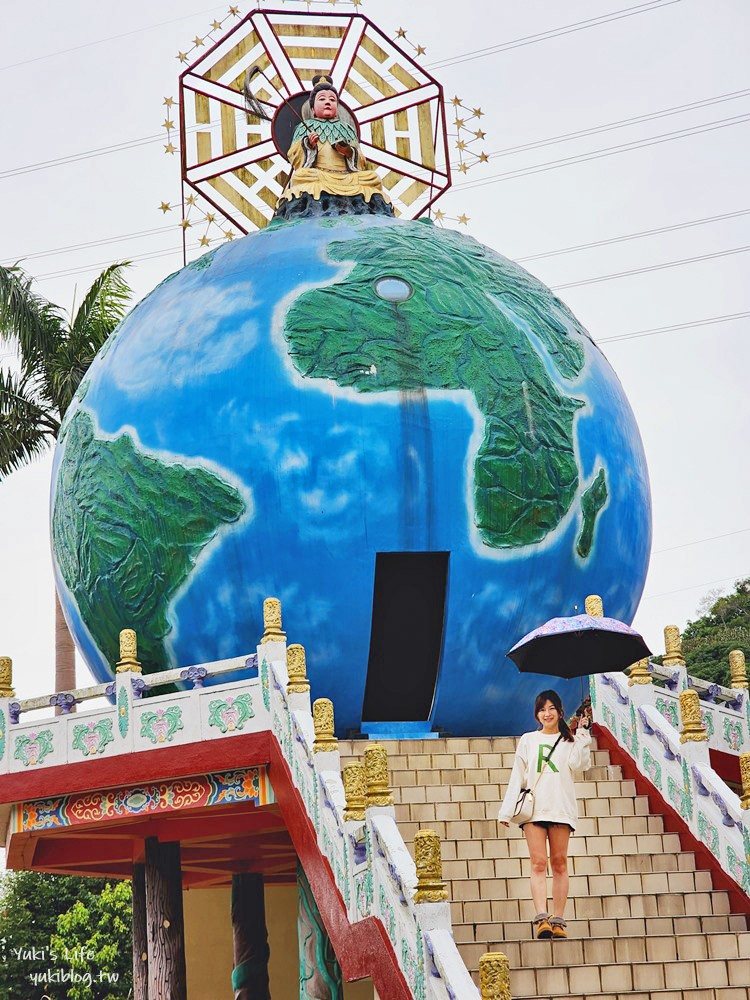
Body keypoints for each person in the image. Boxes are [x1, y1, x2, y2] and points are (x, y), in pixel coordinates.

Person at [497, 689, 592, 940]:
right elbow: (517, 775)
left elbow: (580, 766)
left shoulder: (571, 740)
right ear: (537, 714)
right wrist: (506, 811)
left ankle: (558, 920)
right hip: (534, 809)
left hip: (561, 808)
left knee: (559, 863)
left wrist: (582, 733)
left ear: (560, 712)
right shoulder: (528, 740)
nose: (546, 713)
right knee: (538, 863)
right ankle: (542, 918)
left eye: (551, 708)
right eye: (541, 709)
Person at [275, 75, 393, 218]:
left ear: (337, 106)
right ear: (312, 108)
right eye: (322, 99)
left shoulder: (347, 129)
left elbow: (361, 161)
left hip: (347, 177)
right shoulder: (305, 128)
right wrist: (308, 145)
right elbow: (294, 156)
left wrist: (348, 151)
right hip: (318, 175)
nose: (328, 102)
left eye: (332, 100)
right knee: (301, 176)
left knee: (372, 178)